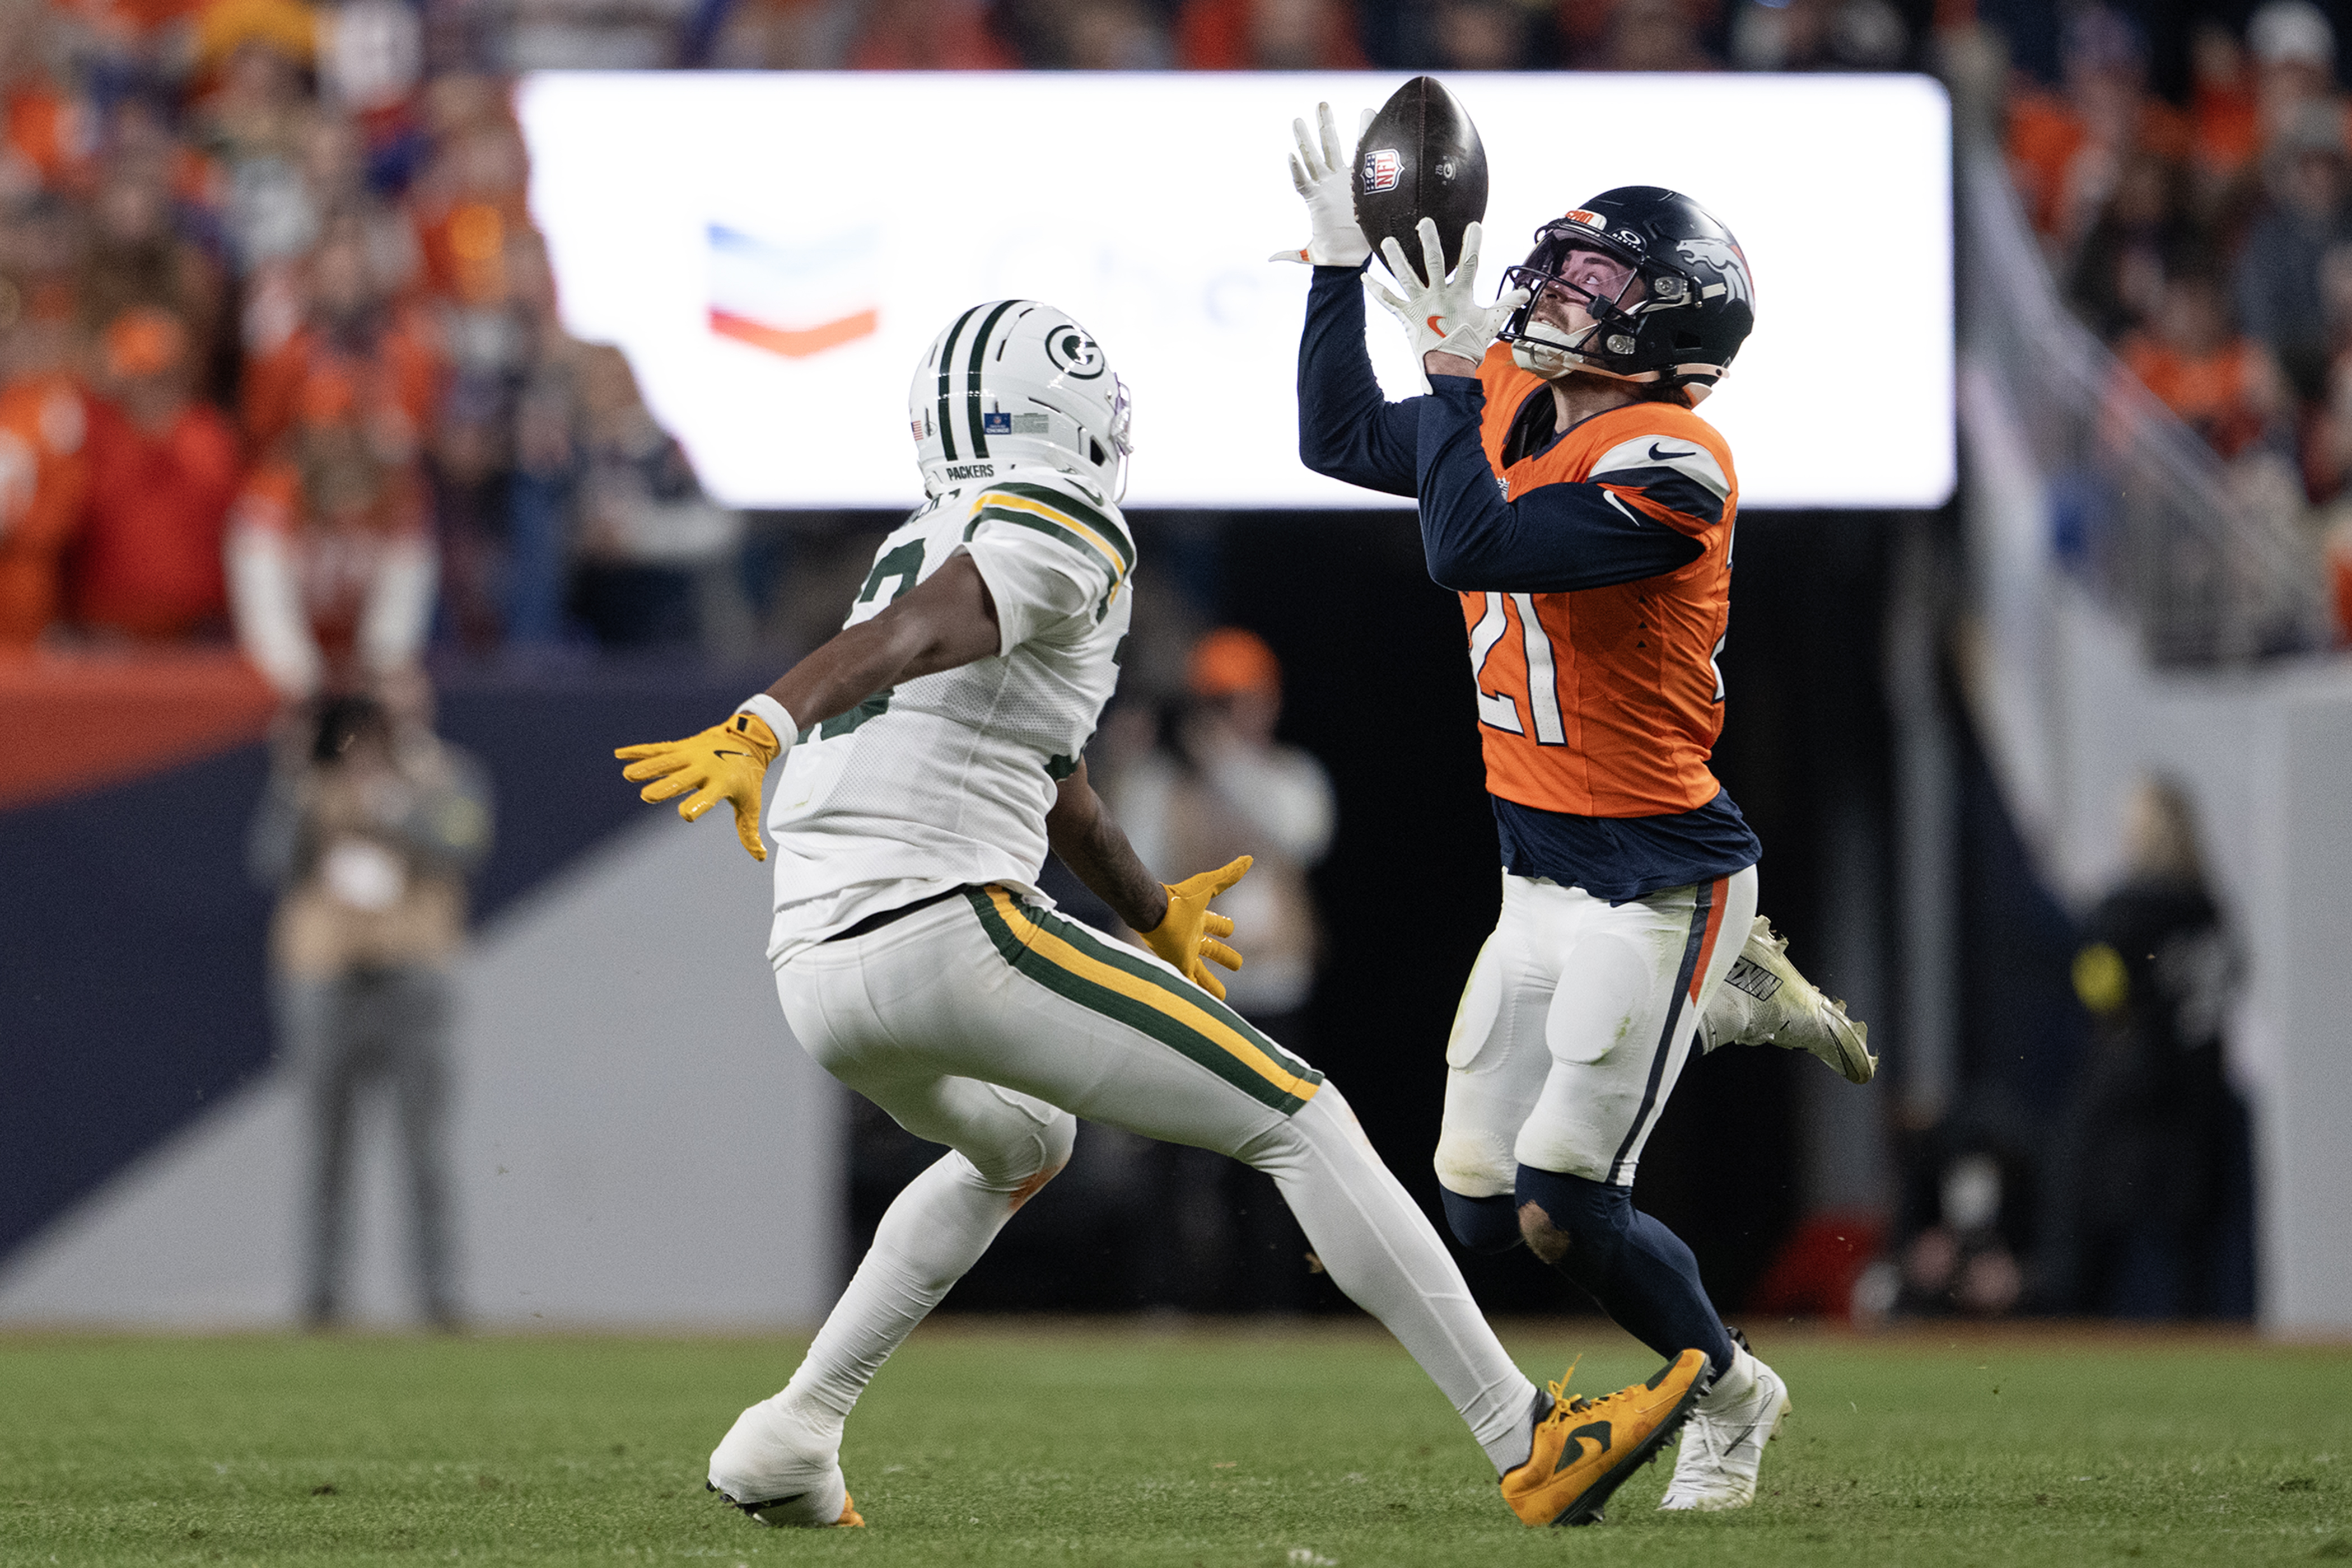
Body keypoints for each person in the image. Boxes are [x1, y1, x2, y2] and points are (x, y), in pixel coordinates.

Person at [615, 301, 1710, 1532]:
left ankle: (793, 1430)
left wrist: (1150, 909)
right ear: (1068, 414)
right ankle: (1529, 1437)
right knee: (1301, 1112)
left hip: (818, 968)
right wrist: (763, 719)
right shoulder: (1055, 522)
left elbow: (1051, 769)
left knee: (1024, 1143)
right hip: (939, 926)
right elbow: (913, 635)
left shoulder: (922, 532)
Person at [1281, 103, 1872, 1513]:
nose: (1558, 296)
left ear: (1674, 335)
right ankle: (1719, 1002)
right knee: (1480, 1202)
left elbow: (1466, 544)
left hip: (1660, 880)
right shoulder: (1521, 402)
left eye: (1602, 287)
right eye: (1567, 268)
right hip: (1536, 873)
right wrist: (1328, 270)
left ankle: (1733, 1394)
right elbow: (1333, 440)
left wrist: (1448, 364)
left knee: (1562, 1201)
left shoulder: (1674, 460)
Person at [249, 685, 493, 1327]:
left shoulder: (449, 775)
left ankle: (440, 1299)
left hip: (414, 968)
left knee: (426, 1147)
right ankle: (321, 1299)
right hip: (325, 971)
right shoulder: (308, 782)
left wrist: (394, 804)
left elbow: (465, 844)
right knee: (325, 1146)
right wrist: (295, 778)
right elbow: (271, 859)